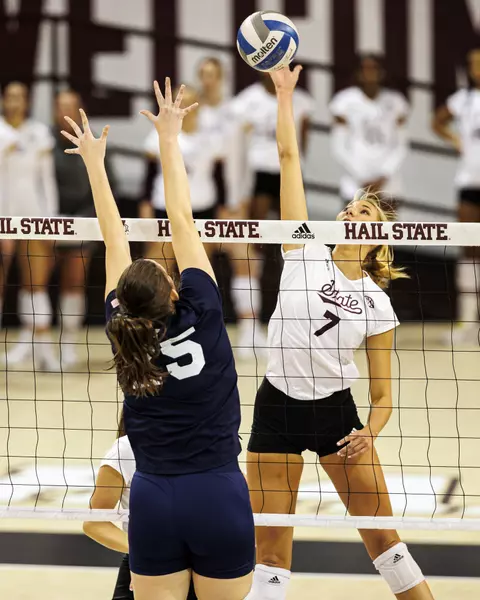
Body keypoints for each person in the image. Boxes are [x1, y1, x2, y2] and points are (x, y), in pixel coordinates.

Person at [245, 66, 434, 600]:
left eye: (367, 211)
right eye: (352, 205)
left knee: (384, 541)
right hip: (275, 408)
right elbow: (288, 161)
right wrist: (285, 95)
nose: (353, 210)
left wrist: (371, 431)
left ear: (378, 238)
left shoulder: (377, 304)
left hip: (335, 416)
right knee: (270, 553)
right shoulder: (303, 251)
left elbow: (382, 395)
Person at [61, 80, 254, 600]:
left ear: (125, 302)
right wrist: (171, 137)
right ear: (174, 291)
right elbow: (183, 220)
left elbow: (113, 237)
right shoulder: (207, 311)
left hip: (153, 499)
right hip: (217, 491)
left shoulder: (122, 333)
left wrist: (94, 165)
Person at [229, 73, 314, 359]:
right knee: (254, 249)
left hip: (289, 174)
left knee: (299, 246)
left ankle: (299, 325)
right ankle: (251, 328)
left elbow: (303, 143)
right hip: (258, 176)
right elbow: (235, 148)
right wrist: (238, 193)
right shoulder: (246, 101)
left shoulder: (301, 100)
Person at [84, 413, 198, 600]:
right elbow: (95, 522)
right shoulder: (126, 449)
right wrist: (145, 556)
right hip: (148, 561)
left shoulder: (207, 443)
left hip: (203, 563)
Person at [53, 89, 117, 368]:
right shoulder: (42, 142)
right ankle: (37, 343)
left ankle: (68, 342)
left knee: (74, 280)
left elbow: (106, 185)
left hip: (84, 222)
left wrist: (87, 223)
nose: (66, 113)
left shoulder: (94, 143)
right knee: (35, 281)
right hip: (48, 222)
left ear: (81, 109)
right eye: (61, 107)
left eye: (71, 106)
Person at [1, 81, 59, 371]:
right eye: (9, 96)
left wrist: (51, 219)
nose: (14, 101)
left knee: (36, 285)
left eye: (19, 97)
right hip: (1, 217)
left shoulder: (38, 133)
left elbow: (46, 180)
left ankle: (42, 349)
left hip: (33, 217)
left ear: (27, 101)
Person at [139, 85, 219, 275]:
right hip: (165, 206)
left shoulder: (211, 137)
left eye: (189, 101)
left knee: (201, 268)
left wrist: (222, 209)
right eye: (180, 101)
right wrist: (145, 206)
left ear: (198, 105)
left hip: (203, 205)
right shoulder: (159, 135)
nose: (184, 106)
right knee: (158, 269)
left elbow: (219, 176)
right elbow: (149, 177)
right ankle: (158, 305)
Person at [433, 47, 480, 343]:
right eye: (473, 64)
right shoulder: (462, 100)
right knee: (469, 251)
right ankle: (468, 322)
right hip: (469, 182)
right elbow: (436, 120)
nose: (477, 68)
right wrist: (454, 139)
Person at [330, 54, 409, 202]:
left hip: (388, 183)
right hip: (355, 182)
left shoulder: (397, 102)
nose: (370, 73)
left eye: (374, 68)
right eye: (365, 68)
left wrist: (384, 175)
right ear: (358, 73)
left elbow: (401, 144)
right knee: (353, 224)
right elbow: (339, 146)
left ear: (382, 72)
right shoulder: (344, 101)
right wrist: (361, 177)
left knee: (387, 224)